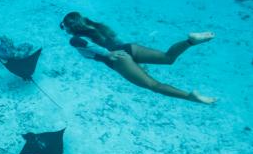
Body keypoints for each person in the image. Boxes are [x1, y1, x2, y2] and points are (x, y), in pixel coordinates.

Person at [59, 11, 217, 104]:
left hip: (118, 59)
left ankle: (190, 97)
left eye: (63, 25)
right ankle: (191, 41)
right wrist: (133, 60)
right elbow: (115, 41)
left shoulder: (75, 39)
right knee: (167, 57)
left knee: (154, 85)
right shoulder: (97, 27)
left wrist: (108, 54)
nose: (63, 28)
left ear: (70, 26)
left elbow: (82, 43)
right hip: (128, 48)